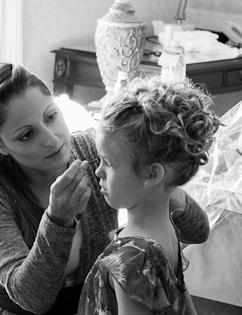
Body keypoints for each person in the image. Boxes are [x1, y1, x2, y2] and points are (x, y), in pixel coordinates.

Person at [0, 63, 210, 315]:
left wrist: (161, 177)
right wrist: (57, 221)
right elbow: (32, 299)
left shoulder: (97, 150)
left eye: (51, 116)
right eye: (26, 135)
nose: (52, 139)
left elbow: (198, 231)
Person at [78, 76, 220, 315]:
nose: (98, 171)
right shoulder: (165, 230)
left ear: (152, 174)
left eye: (108, 163)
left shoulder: (132, 258)